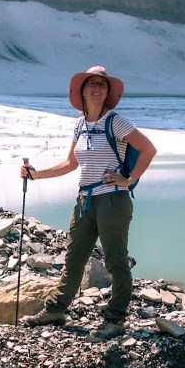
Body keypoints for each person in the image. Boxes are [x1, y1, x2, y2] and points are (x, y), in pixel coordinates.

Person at [19, 65, 157, 341]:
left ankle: (115, 319)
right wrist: (36, 175)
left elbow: (148, 149)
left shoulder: (115, 121)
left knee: (116, 262)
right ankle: (56, 310)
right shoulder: (80, 125)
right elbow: (71, 163)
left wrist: (128, 180)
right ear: (82, 90)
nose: (96, 88)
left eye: (102, 85)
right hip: (85, 200)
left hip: (112, 201)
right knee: (74, 259)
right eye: (91, 83)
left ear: (108, 93)